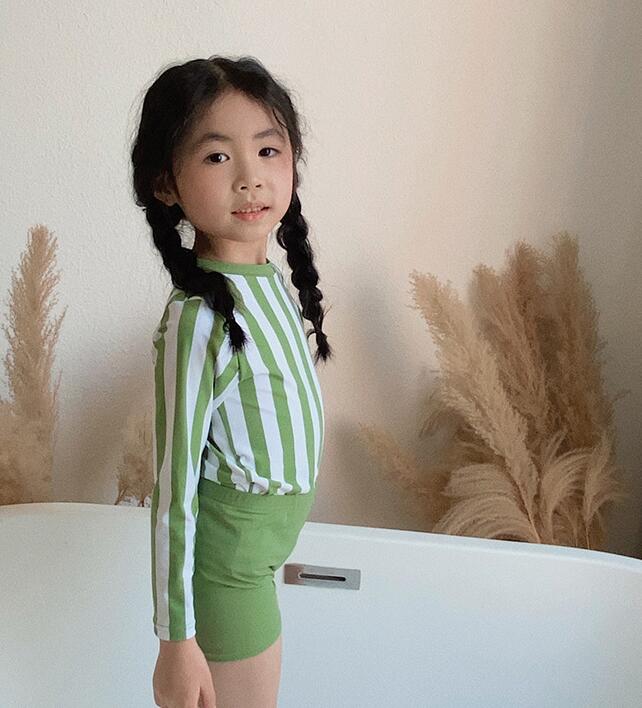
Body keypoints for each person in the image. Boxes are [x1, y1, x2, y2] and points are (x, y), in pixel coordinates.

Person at [130, 55, 333, 708]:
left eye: (268, 150)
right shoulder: (197, 319)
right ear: (166, 183)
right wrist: (176, 641)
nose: (250, 177)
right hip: (230, 574)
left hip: (261, 560)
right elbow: (173, 491)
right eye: (218, 157)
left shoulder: (269, 283)